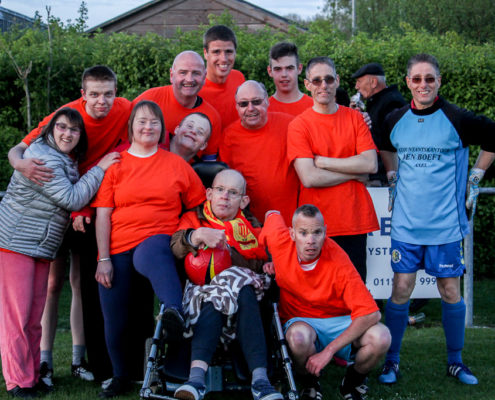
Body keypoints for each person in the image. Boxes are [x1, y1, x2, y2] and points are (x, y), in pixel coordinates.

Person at [7, 65, 132, 384]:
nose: (102, 101)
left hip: (77, 209)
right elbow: (21, 147)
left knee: (78, 282)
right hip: (47, 217)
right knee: (50, 286)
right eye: (94, 95)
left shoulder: (126, 109)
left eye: (108, 94)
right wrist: (19, 163)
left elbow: (146, 132)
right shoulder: (65, 118)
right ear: (83, 94)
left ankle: (78, 358)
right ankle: (43, 362)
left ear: (116, 92)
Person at [377, 53, 495, 386]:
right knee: (400, 289)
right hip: (405, 225)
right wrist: (391, 173)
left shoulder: (457, 118)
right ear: (407, 83)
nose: (423, 85)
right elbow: (384, 144)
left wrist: (475, 175)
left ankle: (456, 362)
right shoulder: (395, 118)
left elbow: (493, 137)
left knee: (448, 290)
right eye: (417, 79)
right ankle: (391, 361)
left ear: (439, 81)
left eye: (430, 79)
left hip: (445, 225)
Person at [92, 100, 206, 398]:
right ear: (131, 126)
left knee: (153, 249)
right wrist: (103, 258)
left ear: (162, 129)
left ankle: (173, 314)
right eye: (142, 121)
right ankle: (120, 376)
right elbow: (103, 213)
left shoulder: (175, 164)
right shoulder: (116, 164)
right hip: (118, 247)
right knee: (114, 318)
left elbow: (196, 205)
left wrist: (184, 228)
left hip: (159, 242)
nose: (148, 127)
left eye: (154, 122)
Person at [170, 169, 283, 400]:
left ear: (243, 201)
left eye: (233, 193)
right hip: (202, 293)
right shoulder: (195, 218)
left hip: (245, 297)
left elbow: (259, 264)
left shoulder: (251, 227)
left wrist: (231, 253)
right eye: (220, 190)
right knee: (218, 293)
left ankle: (197, 380)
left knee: (240, 284)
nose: (225, 196)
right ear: (209, 194)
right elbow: (175, 247)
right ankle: (258, 381)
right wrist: (196, 235)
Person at [260, 205, 390, 400]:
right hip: (301, 319)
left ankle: (352, 381)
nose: (311, 240)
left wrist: (329, 351)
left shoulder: (338, 259)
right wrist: (264, 259)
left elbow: (372, 313)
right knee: (298, 338)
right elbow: (272, 215)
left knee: (381, 337)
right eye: (303, 233)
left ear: (325, 232)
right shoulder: (279, 240)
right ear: (292, 234)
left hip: (339, 319)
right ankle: (311, 384)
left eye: (317, 233)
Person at [287, 57, 379, 283]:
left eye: (328, 79)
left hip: (354, 220)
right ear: (307, 85)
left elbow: (370, 164)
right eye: (316, 81)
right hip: (316, 227)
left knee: (355, 291)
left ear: (337, 81)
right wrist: (354, 173)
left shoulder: (355, 118)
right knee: (320, 293)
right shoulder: (299, 125)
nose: (323, 85)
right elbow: (309, 177)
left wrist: (325, 162)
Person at [219, 80, 299, 226]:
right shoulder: (229, 136)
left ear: (267, 101)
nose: (250, 108)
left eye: (256, 102)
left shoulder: (289, 125)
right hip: (249, 225)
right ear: (237, 107)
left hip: (290, 222)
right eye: (243, 104)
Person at [134, 51, 222, 160]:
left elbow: (209, 165)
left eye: (196, 73)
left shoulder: (211, 118)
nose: (189, 79)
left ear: (204, 77)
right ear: (172, 75)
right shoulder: (148, 101)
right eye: (183, 72)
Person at [351, 62, 406, 185]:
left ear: (373, 82)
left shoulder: (392, 103)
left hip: (383, 177)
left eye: (359, 81)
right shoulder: (378, 101)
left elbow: (389, 143)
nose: (356, 87)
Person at [199, 25, 246, 129]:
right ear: (205, 53)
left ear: (235, 53)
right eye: (216, 52)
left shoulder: (238, 77)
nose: (223, 59)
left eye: (229, 52)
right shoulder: (196, 87)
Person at [267, 42, 313, 116]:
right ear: (270, 71)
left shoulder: (315, 108)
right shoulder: (263, 110)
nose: (284, 74)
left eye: (289, 68)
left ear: (299, 69)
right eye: (278, 69)